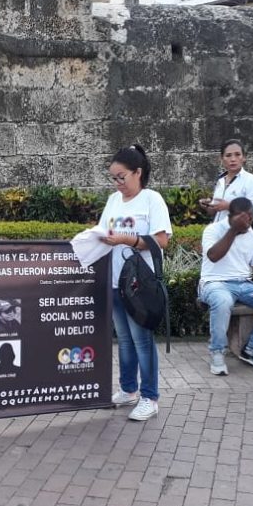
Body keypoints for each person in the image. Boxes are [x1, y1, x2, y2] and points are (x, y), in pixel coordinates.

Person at [98, 144, 172, 422]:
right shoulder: (113, 201)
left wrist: (127, 240)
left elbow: (162, 240)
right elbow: (103, 232)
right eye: (113, 178)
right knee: (125, 340)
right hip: (116, 281)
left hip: (140, 283)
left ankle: (150, 397)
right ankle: (128, 389)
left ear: (137, 173)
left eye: (122, 177)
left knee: (142, 340)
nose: (118, 184)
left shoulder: (152, 199)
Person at [199, 197, 253, 376]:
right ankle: (217, 352)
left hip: (244, 283)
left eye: (250, 216)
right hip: (214, 282)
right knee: (222, 301)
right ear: (231, 216)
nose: (248, 221)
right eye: (244, 217)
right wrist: (233, 230)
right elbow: (214, 255)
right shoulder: (213, 230)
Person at [199, 139, 253, 225]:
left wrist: (229, 206)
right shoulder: (220, 181)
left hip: (238, 234)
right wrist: (208, 206)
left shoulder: (251, 180)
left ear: (244, 157)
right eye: (228, 155)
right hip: (217, 234)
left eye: (237, 154)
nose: (233, 159)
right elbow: (217, 213)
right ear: (221, 159)